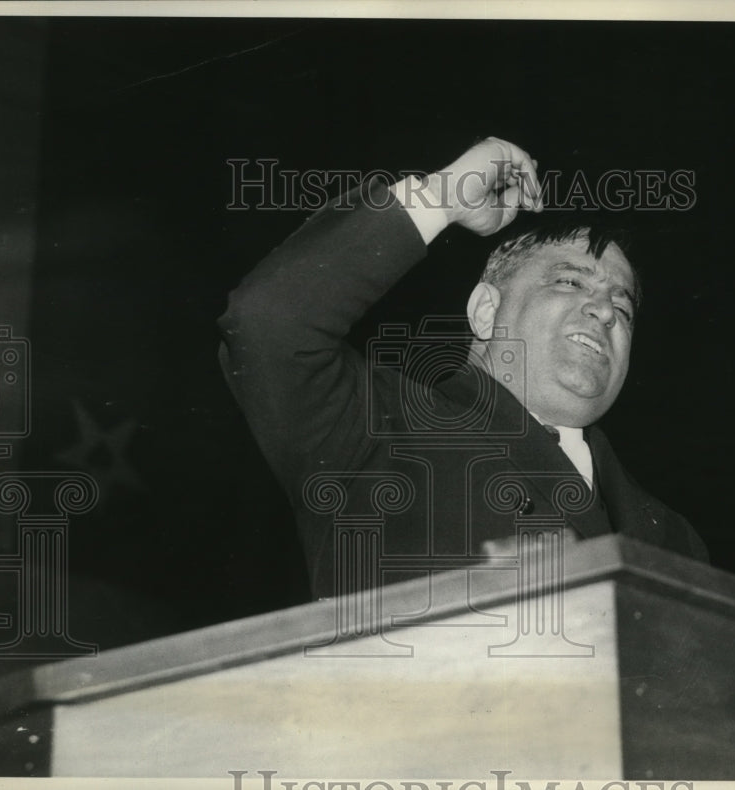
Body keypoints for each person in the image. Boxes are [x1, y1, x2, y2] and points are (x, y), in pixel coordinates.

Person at [218, 137, 707, 600]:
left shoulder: (677, 541)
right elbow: (269, 323)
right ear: (485, 311)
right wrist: (445, 196)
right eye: (570, 283)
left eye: (621, 308)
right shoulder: (377, 430)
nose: (604, 311)